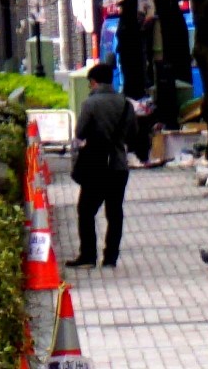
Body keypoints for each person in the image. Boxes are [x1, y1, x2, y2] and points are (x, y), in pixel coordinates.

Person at [69, 58, 134, 268]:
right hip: (118, 166)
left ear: (94, 82)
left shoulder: (90, 104)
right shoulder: (125, 103)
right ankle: (111, 257)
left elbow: (80, 132)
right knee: (115, 212)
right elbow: (133, 133)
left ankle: (88, 255)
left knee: (86, 210)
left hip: (96, 166)